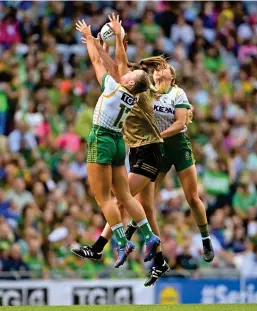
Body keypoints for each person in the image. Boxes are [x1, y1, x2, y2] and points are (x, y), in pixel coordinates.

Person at [72, 14, 170, 286]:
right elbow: (117, 65)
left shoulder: (116, 88)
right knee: (129, 198)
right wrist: (108, 43)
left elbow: (106, 65)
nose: (125, 72)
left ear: (129, 80)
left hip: (109, 140)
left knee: (105, 199)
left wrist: (93, 39)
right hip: (121, 143)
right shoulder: (134, 91)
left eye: (128, 73)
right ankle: (152, 241)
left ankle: (119, 242)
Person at [125, 59, 215, 264]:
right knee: (146, 199)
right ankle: (132, 226)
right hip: (158, 148)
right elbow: (131, 76)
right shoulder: (148, 92)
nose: (158, 72)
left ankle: (206, 239)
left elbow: (180, 123)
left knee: (192, 197)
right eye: (156, 70)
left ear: (172, 77)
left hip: (177, 145)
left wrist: (157, 135)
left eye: (163, 69)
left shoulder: (177, 93)